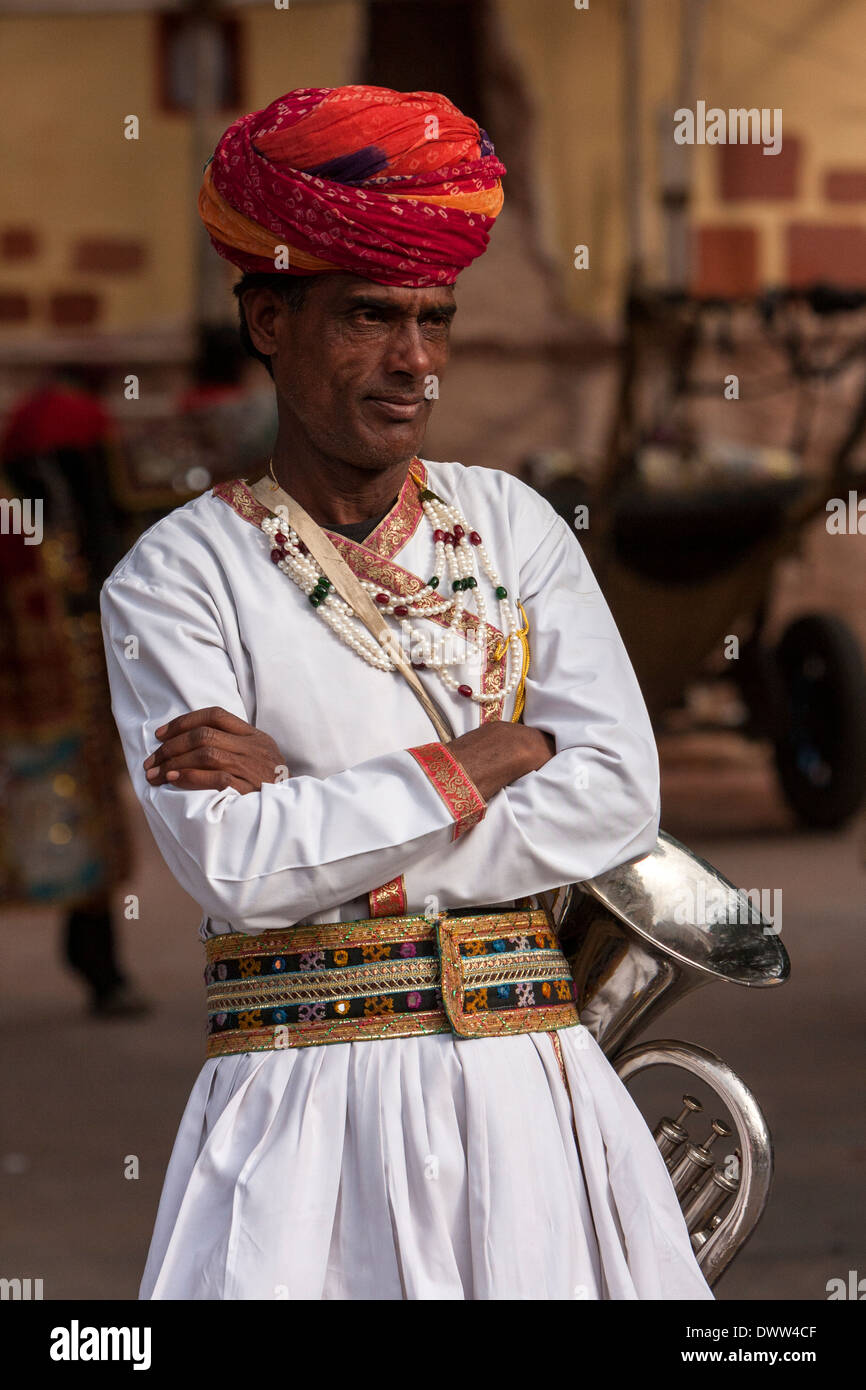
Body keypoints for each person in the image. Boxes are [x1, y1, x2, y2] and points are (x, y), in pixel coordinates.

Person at [100, 84, 713, 1300]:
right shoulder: (175, 577)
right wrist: (484, 759)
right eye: (371, 317)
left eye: (434, 320)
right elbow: (232, 870)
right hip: (299, 1115)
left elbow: (614, 802)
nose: (414, 361)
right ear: (269, 319)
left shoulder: (514, 527)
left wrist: (315, 809)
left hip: (533, 1094)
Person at [1, 370, 149, 1017]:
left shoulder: (42, 512)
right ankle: (99, 969)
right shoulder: (40, 518)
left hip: (63, 698)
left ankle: (100, 966)